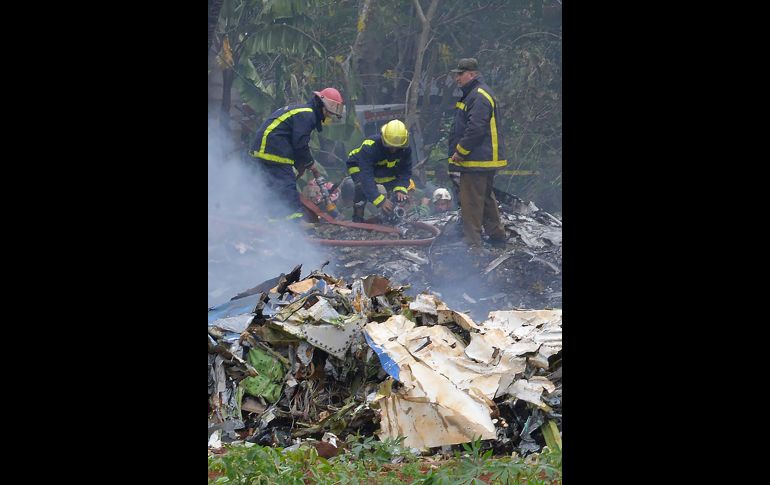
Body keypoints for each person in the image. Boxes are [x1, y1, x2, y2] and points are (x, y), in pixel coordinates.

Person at [247, 88, 344, 221]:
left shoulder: (303, 112)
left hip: (265, 149)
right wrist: (311, 164)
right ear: (322, 106)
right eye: (329, 113)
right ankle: (295, 225)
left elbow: (294, 141)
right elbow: (300, 144)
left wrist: (300, 164)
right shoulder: (308, 115)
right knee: (287, 187)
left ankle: (273, 225)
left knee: (273, 190)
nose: (329, 117)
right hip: (273, 150)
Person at [447, 58, 508, 248]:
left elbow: (476, 129)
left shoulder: (478, 95)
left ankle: (472, 244)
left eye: (460, 74)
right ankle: (496, 236)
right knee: (486, 198)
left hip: (477, 159)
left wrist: (460, 151)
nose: (457, 78)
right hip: (482, 159)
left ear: (472, 74)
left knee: (471, 201)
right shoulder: (473, 94)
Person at [346, 119, 413, 222]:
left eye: (397, 147)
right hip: (358, 165)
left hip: (384, 169)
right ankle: (358, 218)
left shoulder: (406, 149)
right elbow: (366, 176)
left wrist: (400, 189)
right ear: (383, 137)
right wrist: (380, 201)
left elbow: (405, 171)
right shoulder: (370, 146)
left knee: (395, 193)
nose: (393, 150)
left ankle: (390, 217)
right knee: (361, 187)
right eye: (390, 146)